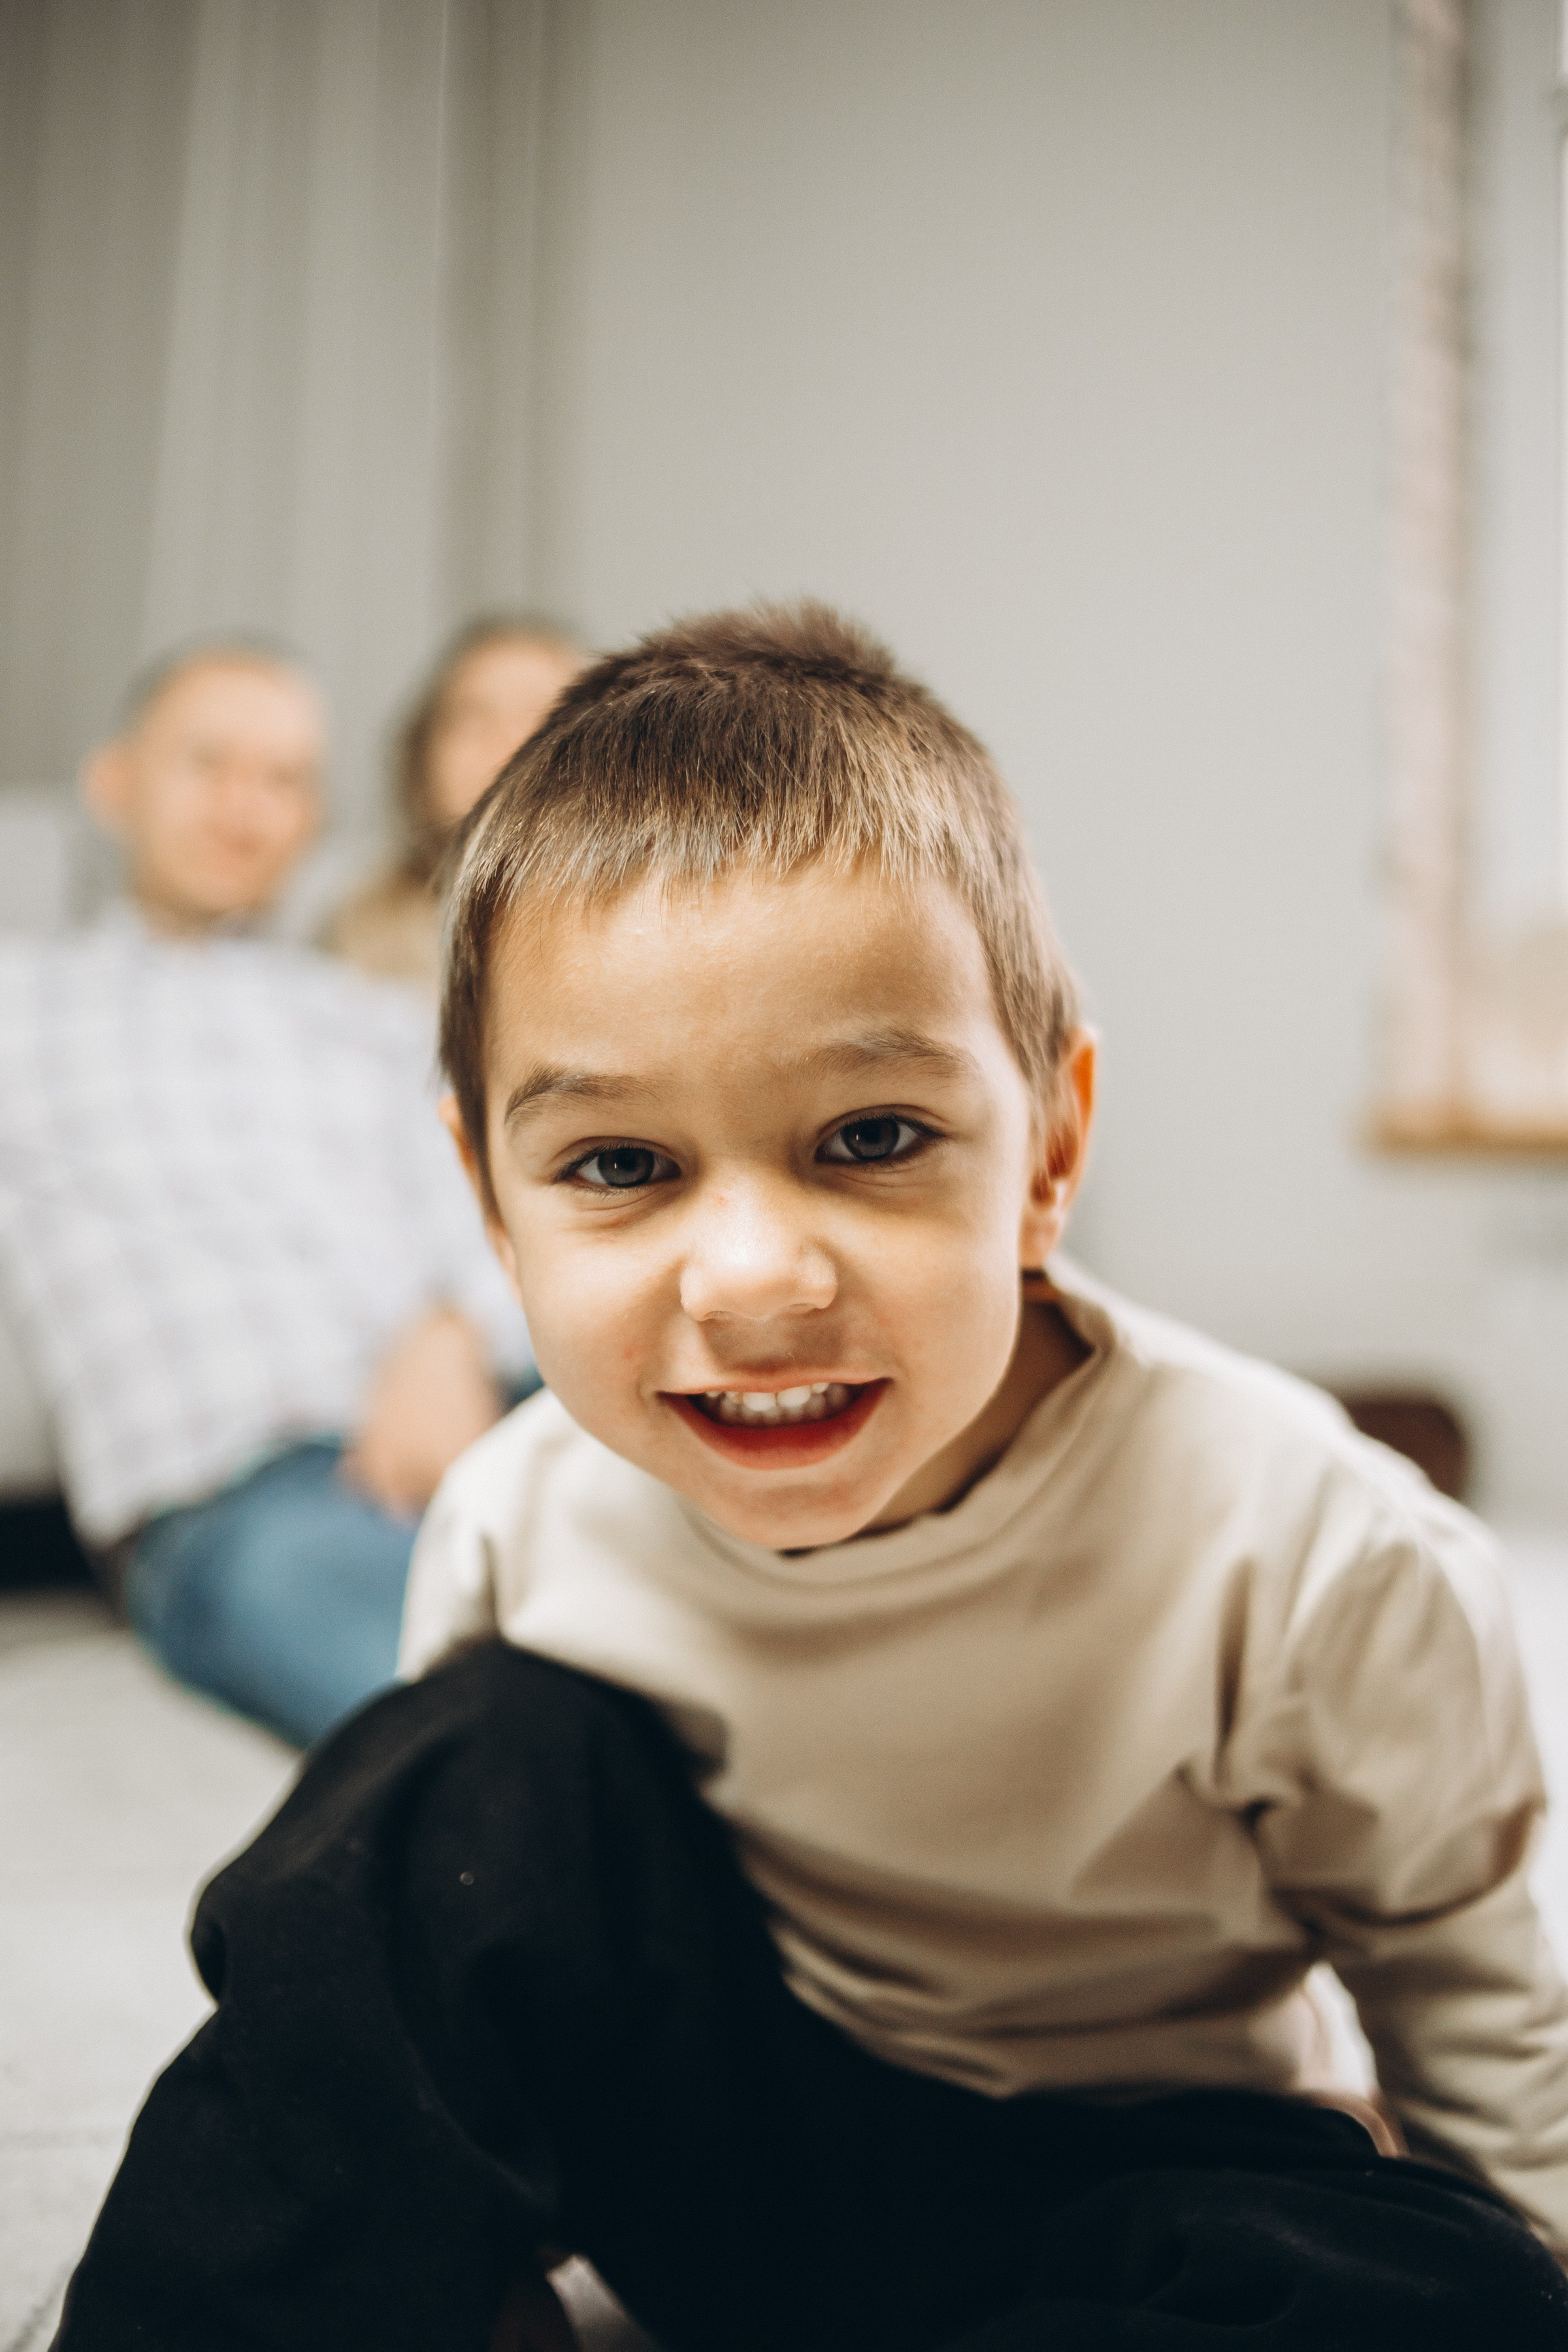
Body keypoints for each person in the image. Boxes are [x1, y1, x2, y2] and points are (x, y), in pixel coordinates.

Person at [54, 607, 1568, 2351]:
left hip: (1144, 2177)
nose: (752, 1278)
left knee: (1460, 2291)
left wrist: (1517, 2254)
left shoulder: (1311, 1546)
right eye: (619, 1165)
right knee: (434, 1790)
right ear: (492, 1205)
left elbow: (1464, 1993)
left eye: (870, 1139)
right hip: (729, 2158)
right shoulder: (522, 1515)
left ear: (1050, 1148)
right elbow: (424, 1984)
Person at [0, 640, 529, 1748]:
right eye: (209, 763)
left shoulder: (373, 1019)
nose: (245, 806)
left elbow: (503, 1208)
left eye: (284, 779)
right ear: (114, 782)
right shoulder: (25, 1002)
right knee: (484, 1726)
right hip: (243, 1496)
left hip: (487, 1415)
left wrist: (453, 1336)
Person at [326, 615, 584, 991]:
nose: (507, 747)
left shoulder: (644, 924)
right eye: (473, 717)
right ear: (422, 755)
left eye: (544, 719)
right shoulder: (354, 934)